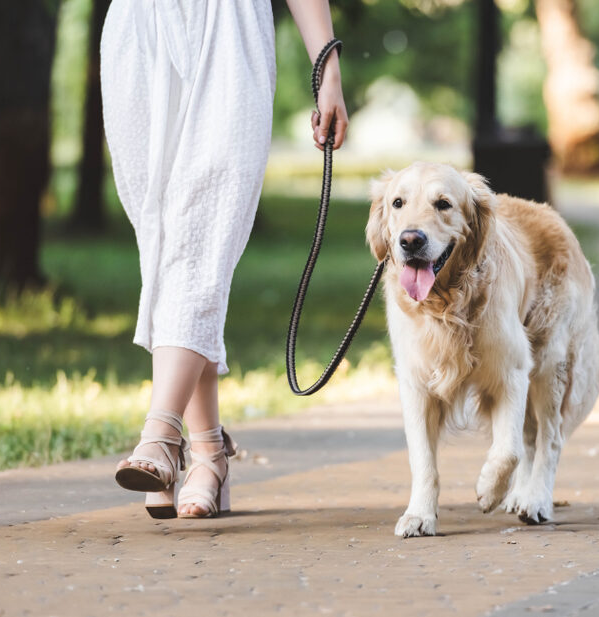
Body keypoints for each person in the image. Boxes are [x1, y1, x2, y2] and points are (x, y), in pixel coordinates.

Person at [100, 0, 348, 519]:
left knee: (202, 236)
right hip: (137, 28)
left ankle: (161, 433)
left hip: (230, 29)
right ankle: (209, 453)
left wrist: (327, 71)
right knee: (166, 244)